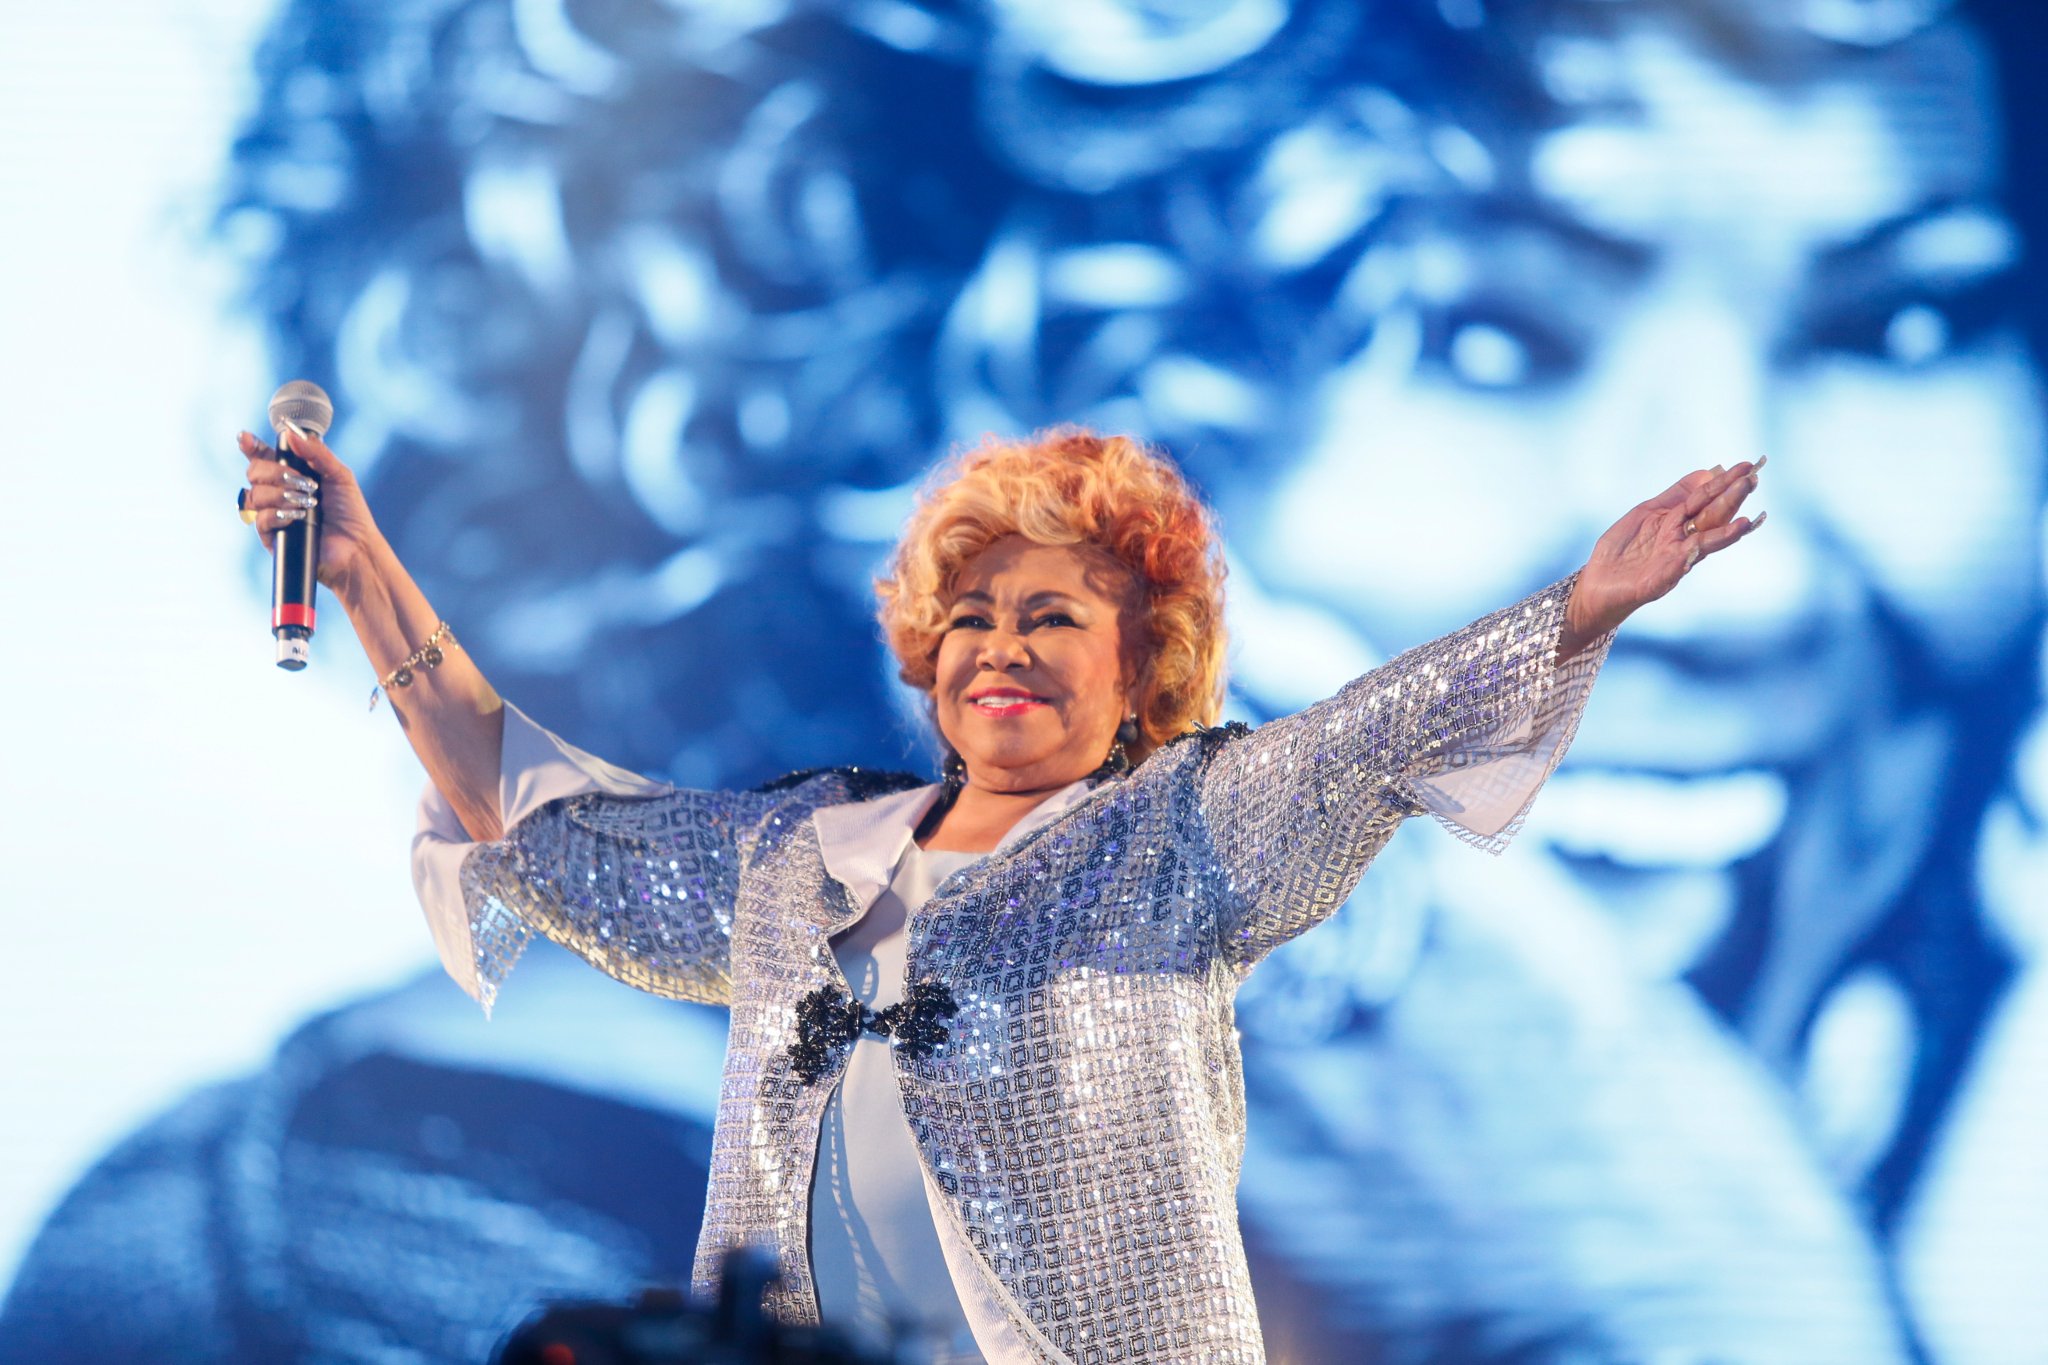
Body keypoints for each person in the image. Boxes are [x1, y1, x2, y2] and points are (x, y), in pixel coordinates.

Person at [236, 416, 1760, 1361]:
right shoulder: (799, 858)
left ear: (1144, 664)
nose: (1003, 647)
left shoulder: (1184, 831)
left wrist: (1582, 605)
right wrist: (363, 573)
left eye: (1055, 617)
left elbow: (1371, 737)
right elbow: (537, 815)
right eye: (971, 615)